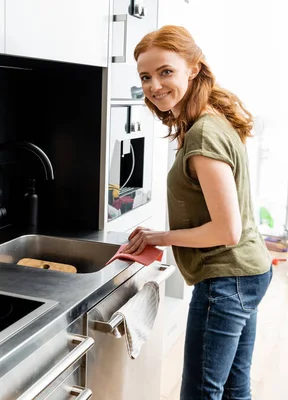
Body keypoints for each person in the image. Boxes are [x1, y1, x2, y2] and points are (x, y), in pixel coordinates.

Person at [123, 25, 273, 400]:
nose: (154, 85)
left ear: (193, 68)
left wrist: (163, 238)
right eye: (146, 76)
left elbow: (226, 230)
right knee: (235, 389)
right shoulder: (210, 120)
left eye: (165, 71)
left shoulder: (203, 134)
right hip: (248, 272)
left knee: (201, 394)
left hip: (227, 278)